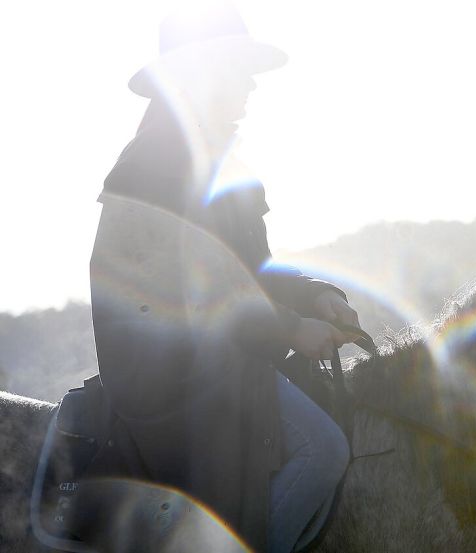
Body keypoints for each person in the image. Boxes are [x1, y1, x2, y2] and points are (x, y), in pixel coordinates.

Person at [89, 4, 356, 551]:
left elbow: (249, 272)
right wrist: (290, 330)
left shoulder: (225, 164)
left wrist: (313, 296)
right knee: (323, 450)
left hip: (222, 360)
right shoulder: (154, 163)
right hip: (175, 379)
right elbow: (196, 288)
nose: (252, 86)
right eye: (240, 69)